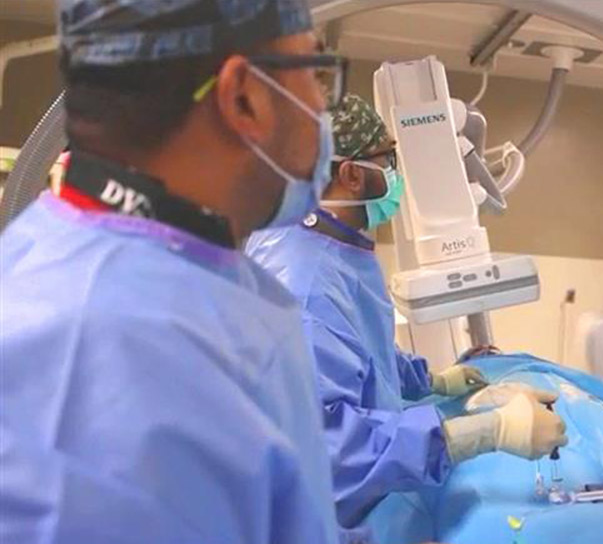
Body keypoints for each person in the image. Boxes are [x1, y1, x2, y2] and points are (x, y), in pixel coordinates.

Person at [0, 1, 361, 542]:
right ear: (245, 96)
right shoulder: (103, 354)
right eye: (313, 73)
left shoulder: (191, 278)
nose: (320, 108)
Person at [246, 94, 568, 528]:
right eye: (389, 159)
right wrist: (487, 432)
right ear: (351, 174)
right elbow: (331, 451)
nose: (396, 173)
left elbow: (357, 353)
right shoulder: (306, 289)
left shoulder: (325, 246)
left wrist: (430, 381)